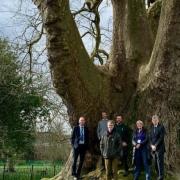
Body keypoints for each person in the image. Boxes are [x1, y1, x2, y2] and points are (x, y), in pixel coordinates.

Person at [149, 115, 165, 180]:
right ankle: (158, 175)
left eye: (156, 120)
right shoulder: (151, 127)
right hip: (153, 148)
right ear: (152, 121)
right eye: (153, 120)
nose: (154, 121)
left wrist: (155, 145)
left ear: (158, 120)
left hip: (160, 148)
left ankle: (161, 176)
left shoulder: (161, 127)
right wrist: (151, 145)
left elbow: (161, 138)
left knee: (160, 162)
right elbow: (149, 138)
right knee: (155, 163)